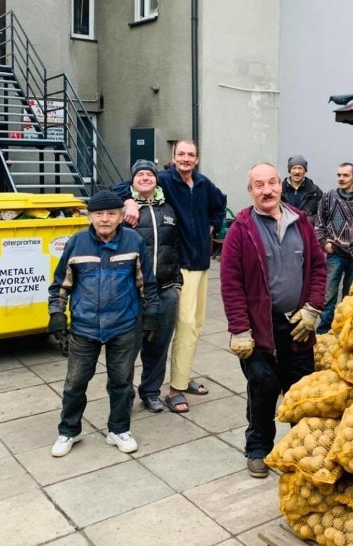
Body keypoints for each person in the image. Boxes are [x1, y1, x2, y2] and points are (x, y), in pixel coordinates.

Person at [220, 162, 326, 478]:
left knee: (300, 391)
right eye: (259, 185)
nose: (267, 190)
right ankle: (258, 448)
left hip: (298, 327)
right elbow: (230, 283)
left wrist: (313, 309)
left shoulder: (302, 223)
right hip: (259, 329)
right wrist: (239, 329)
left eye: (271, 183)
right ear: (250, 190)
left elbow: (319, 268)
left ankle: (300, 448)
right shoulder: (241, 229)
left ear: (280, 185)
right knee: (263, 387)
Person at [47, 190, 159, 457]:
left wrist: (152, 314)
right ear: (90, 216)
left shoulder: (133, 242)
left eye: (111, 214)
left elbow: (147, 284)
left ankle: (118, 430)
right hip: (84, 328)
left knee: (121, 382)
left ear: (121, 216)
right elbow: (60, 285)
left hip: (123, 325)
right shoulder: (76, 244)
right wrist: (56, 314)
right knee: (75, 383)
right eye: (99, 214)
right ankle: (68, 431)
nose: (105, 219)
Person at [118, 140, 226, 414]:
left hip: (201, 262)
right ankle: (175, 389)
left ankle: (182, 374)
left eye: (191, 154)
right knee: (186, 325)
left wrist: (211, 225)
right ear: (173, 157)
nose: (186, 159)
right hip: (181, 265)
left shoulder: (203, 184)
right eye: (181, 154)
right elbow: (123, 187)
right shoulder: (164, 180)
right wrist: (128, 200)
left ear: (197, 159)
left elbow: (220, 203)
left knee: (195, 326)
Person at [128, 159, 183, 413]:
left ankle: (150, 392)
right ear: (133, 181)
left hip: (165, 291)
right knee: (128, 348)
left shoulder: (169, 210)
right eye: (140, 174)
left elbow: (175, 248)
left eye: (149, 174)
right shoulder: (123, 210)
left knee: (158, 347)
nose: (145, 177)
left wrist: (177, 284)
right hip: (133, 294)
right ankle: (122, 394)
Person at [314, 162, 353, 333]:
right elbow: (319, 223)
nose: (341, 178)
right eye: (339, 175)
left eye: (345, 175)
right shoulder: (328, 196)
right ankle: (323, 332)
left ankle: (342, 330)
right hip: (335, 253)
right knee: (328, 295)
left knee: (350, 296)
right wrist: (325, 244)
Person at [280, 155, 322, 224]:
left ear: (305, 171)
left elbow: (321, 215)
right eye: (294, 168)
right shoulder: (280, 189)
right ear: (289, 171)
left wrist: (305, 221)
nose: (297, 171)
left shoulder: (315, 191)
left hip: (307, 231)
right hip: (285, 231)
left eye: (300, 168)